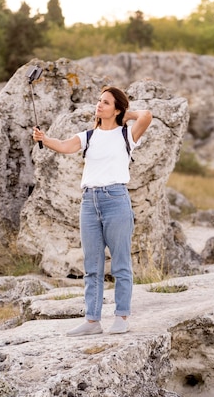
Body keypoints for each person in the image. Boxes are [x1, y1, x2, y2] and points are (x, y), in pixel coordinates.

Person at [32, 86, 152, 336]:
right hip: (89, 202)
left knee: (120, 263)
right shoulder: (89, 136)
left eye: (106, 102)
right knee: (92, 265)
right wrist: (44, 140)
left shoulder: (126, 135)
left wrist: (124, 114)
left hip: (116, 200)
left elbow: (147, 116)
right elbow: (65, 146)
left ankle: (121, 316)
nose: (99, 105)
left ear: (117, 109)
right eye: (99, 101)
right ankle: (92, 321)